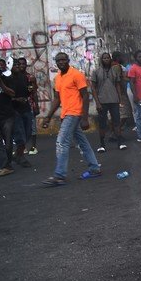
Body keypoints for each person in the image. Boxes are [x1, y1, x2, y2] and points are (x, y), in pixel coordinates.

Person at [41, 52, 102, 186]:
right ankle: (94, 168)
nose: (61, 62)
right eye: (58, 61)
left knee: (62, 142)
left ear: (68, 60)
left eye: (63, 60)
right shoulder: (58, 78)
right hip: (66, 113)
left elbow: (85, 96)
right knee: (82, 142)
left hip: (74, 113)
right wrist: (48, 116)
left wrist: (85, 118)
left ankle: (60, 175)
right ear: (56, 63)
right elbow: (57, 98)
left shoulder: (76, 74)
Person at [91, 52, 127, 152]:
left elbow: (117, 85)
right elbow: (93, 88)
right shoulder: (96, 71)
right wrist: (97, 102)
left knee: (116, 122)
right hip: (102, 101)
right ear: (101, 60)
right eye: (104, 58)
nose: (106, 59)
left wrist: (119, 99)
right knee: (102, 124)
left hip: (114, 100)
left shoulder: (114, 71)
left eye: (108, 58)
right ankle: (102, 145)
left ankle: (120, 143)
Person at [9, 59, 32, 167]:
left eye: (19, 64)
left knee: (27, 133)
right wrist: (16, 100)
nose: (18, 66)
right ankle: (21, 156)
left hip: (26, 108)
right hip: (15, 110)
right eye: (15, 64)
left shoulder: (24, 77)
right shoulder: (7, 79)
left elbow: (29, 91)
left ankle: (17, 155)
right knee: (20, 135)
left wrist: (32, 87)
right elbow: (5, 96)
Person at [15, 58, 38, 155]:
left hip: (30, 104)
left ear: (26, 65)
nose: (21, 66)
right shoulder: (14, 77)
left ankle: (33, 147)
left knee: (32, 126)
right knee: (21, 127)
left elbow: (34, 92)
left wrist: (36, 105)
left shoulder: (30, 77)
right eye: (19, 64)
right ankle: (22, 147)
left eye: (23, 64)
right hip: (18, 106)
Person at [0, 58, 17, 176]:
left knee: (8, 141)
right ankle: (5, 165)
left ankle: (8, 164)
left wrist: (1, 83)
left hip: (7, 116)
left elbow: (12, 93)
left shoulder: (6, 79)